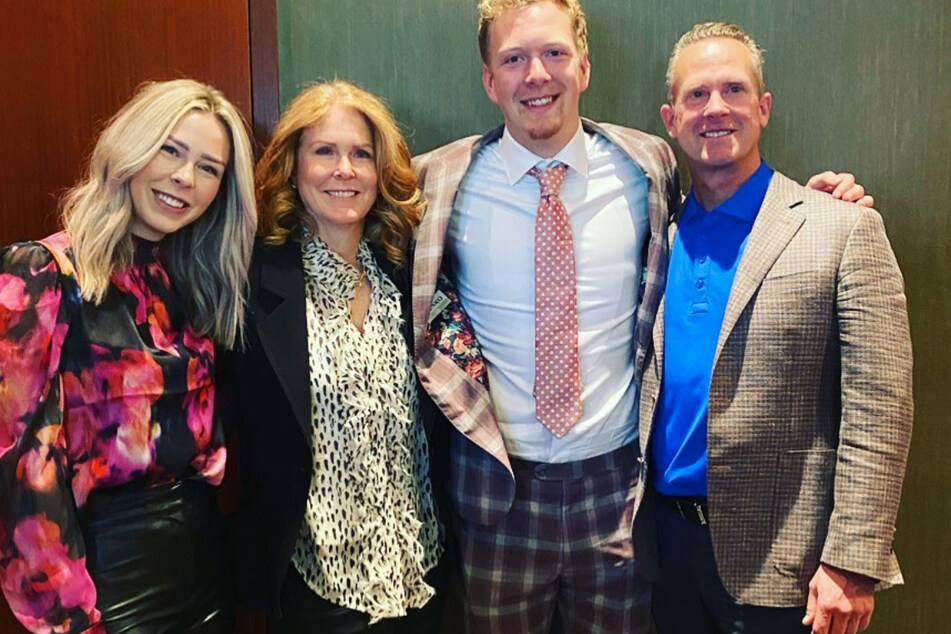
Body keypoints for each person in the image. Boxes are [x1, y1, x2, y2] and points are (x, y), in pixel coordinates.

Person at [410, 1, 873, 633]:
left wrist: (813, 211)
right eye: (514, 59)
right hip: (497, 494)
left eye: (553, 54)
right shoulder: (437, 182)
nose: (536, 74)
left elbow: (737, 209)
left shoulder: (646, 166)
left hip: (622, 497)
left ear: (584, 67)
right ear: (491, 80)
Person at [641, 21, 913, 634]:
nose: (716, 109)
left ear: (762, 109)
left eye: (733, 91)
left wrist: (853, 562)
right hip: (663, 555)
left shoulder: (841, 227)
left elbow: (881, 407)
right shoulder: (656, 233)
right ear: (670, 117)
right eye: (696, 95)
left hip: (790, 564)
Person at [0, 79, 256, 633]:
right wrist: (72, 621)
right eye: (171, 149)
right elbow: (21, 474)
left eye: (209, 168)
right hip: (109, 587)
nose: (185, 179)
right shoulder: (42, 274)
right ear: (129, 149)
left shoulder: (194, 283)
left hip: (207, 568)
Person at [224, 80, 446, 634]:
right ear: (293, 167)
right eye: (324, 151)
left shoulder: (408, 277)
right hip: (317, 591)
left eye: (361, 154)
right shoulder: (254, 288)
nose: (344, 169)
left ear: (380, 173)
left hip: (421, 575)